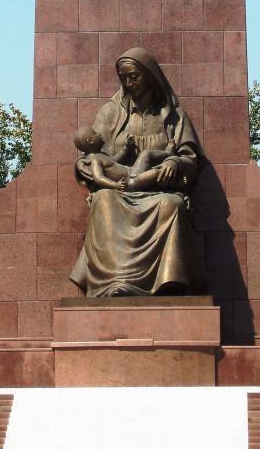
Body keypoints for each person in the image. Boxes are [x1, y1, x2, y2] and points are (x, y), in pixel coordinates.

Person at [70, 47, 203, 297]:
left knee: (172, 205)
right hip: (118, 189)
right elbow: (90, 156)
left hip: (157, 190)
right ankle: (113, 283)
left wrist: (175, 163)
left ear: (150, 76)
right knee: (103, 199)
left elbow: (191, 159)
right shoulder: (110, 113)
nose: (129, 83)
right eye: (124, 78)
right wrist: (85, 168)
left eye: (134, 76)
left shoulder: (174, 117)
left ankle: (168, 282)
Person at [73, 124, 178, 192]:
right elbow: (98, 178)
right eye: (95, 133)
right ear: (90, 141)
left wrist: (126, 148)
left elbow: (115, 161)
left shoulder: (101, 155)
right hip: (130, 182)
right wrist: (116, 185)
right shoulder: (94, 160)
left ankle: (168, 154)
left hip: (133, 172)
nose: (99, 134)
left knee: (146, 154)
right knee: (155, 172)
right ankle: (176, 182)